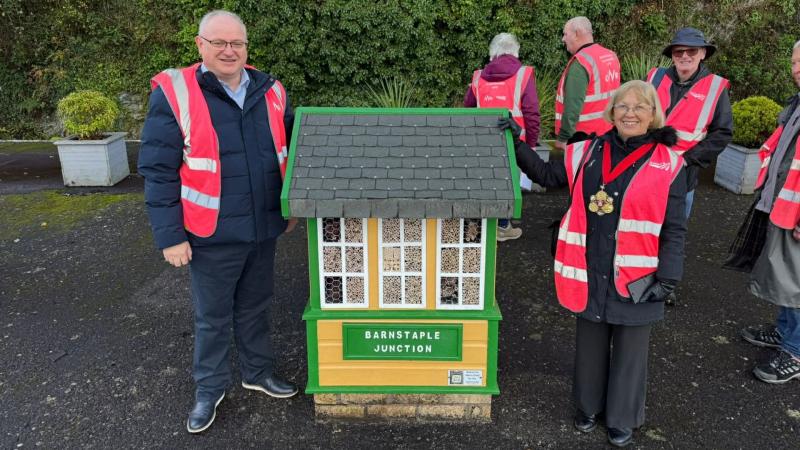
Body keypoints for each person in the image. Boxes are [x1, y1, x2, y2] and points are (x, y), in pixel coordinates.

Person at [137, 10, 299, 434]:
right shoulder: (176, 92)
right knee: (212, 317)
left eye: (237, 43)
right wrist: (170, 237)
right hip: (209, 232)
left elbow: (292, 150)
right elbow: (157, 169)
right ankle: (208, 389)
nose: (229, 51)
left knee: (256, 307)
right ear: (200, 45)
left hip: (264, 227)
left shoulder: (271, 89)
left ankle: (257, 372)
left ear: (247, 47)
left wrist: (292, 205)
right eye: (219, 42)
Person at [502, 80, 687, 447]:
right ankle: (587, 407)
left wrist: (668, 277)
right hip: (588, 266)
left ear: (653, 115)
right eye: (623, 106)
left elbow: (675, 228)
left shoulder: (671, 164)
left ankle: (621, 419)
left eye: (639, 107)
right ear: (612, 112)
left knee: (631, 352)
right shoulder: (586, 151)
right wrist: (517, 142)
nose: (630, 113)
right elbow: (546, 176)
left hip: (638, 275)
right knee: (590, 344)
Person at [727, 40, 800, 384]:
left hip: (796, 213)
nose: (796, 68)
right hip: (784, 205)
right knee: (786, 279)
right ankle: (786, 332)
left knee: (798, 282)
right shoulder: (797, 103)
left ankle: (796, 351)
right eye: (794, 61)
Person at [646, 27, 733, 306]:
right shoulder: (654, 77)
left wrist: (688, 160)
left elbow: (722, 133)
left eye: (691, 51)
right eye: (678, 51)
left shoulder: (715, 87)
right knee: (641, 226)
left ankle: (665, 283)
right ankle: (638, 275)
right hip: (645, 169)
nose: (684, 56)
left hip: (683, 174)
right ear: (672, 55)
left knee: (673, 230)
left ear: (703, 54)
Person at [465, 32, 540, 241]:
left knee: (482, 183)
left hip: (482, 142)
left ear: (492, 55)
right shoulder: (524, 75)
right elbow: (532, 112)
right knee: (508, 183)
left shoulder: (478, 77)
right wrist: (531, 144)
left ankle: (477, 227)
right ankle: (502, 227)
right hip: (513, 142)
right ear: (515, 53)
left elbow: (468, 108)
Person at [554, 16, 620, 151]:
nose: (563, 39)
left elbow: (572, 105)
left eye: (565, 34)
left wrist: (563, 138)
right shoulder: (610, 56)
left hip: (582, 138)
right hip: (607, 133)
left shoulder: (581, 63)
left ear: (577, 34)